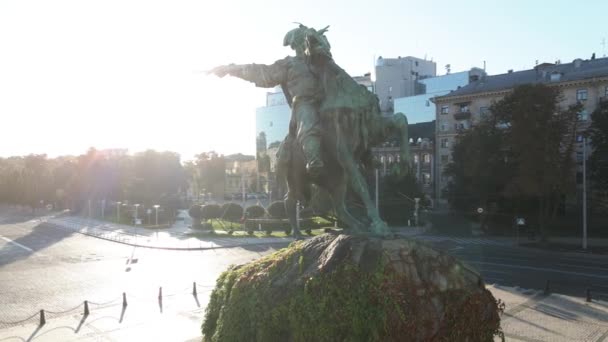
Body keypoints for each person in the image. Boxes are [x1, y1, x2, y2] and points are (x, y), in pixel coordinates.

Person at [209, 25, 328, 178]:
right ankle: (314, 159)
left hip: (329, 101)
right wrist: (232, 69)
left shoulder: (321, 62)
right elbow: (262, 73)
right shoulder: (289, 64)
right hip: (305, 105)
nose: (308, 45)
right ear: (297, 45)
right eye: (304, 42)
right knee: (307, 118)